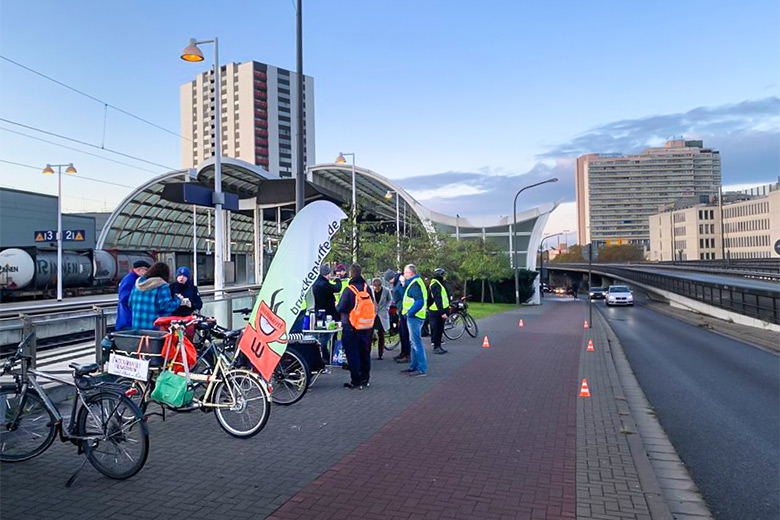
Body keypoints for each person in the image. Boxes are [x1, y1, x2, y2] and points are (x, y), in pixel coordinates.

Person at [337, 264, 375, 389]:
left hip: (351, 327)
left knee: (352, 354)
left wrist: (337, 306)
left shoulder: (349, 290)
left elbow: (342, 307)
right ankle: (365, 378)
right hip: (366, 326)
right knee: (365, 353)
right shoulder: (367, 288)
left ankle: (356, 381)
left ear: (351, 274)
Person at [129, 262, 182, 330]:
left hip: (137, 327)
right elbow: (166, 306)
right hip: (155, 328)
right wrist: (178, 300)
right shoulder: (162, 286)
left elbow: (130, 303)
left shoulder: (137, 285)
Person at [400, 264, 428, 377]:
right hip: (415, 316)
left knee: (416, 343)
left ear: (411, 273)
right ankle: (414, 366)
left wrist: (409, 313)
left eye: (405, 272)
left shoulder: (415, 284)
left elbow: (419, 301)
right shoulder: (415, 282)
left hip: (414, 317)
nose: (403, 274)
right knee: (413, 343)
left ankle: (421, 369)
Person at [313, 264, 342, 365]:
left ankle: (325, 356)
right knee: (327, 336)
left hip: (319, 312)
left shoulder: (316, 283)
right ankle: (328, 357)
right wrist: (338, 279)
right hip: (329, 313)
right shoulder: (324, 284)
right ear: (326, 274)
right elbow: (337, 288)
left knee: (322, 334)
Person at [116, 260, 150, 330]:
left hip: (128, 317)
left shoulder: (131, 278)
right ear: (140, 270)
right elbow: (124, 299)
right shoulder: (131, 279)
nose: (148, 273)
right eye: (146, 270)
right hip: (127, 318)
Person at [428, 267, 450, 355]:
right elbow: (438, 299)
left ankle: (439, 346)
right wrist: (442, 312)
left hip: (439, 310)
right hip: (436, 311)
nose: (444, 277)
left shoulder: (439, 284)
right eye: (443, 275)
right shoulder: (435, 285)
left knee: (440, 329)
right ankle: (436, 347)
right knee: (437, 329)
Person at [391, 273, 411, 363]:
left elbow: (403, 295)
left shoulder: (400, 283)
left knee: (405, 333)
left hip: (404, 310)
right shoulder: (397, 283)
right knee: (402, 333)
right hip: (401, 310)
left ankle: (407, 354)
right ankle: (403, 352)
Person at [371, 277, 392, 360]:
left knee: (381, 334)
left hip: (382, 314)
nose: (376, 290)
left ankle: (380, 353)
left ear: (381, 286)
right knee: (369, 334)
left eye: (378, 288)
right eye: (375, 288)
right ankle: (368, 352)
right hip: (372, 314)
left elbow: (390, 300)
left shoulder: (386, 291)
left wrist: (387, 307)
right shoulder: (370, 290)